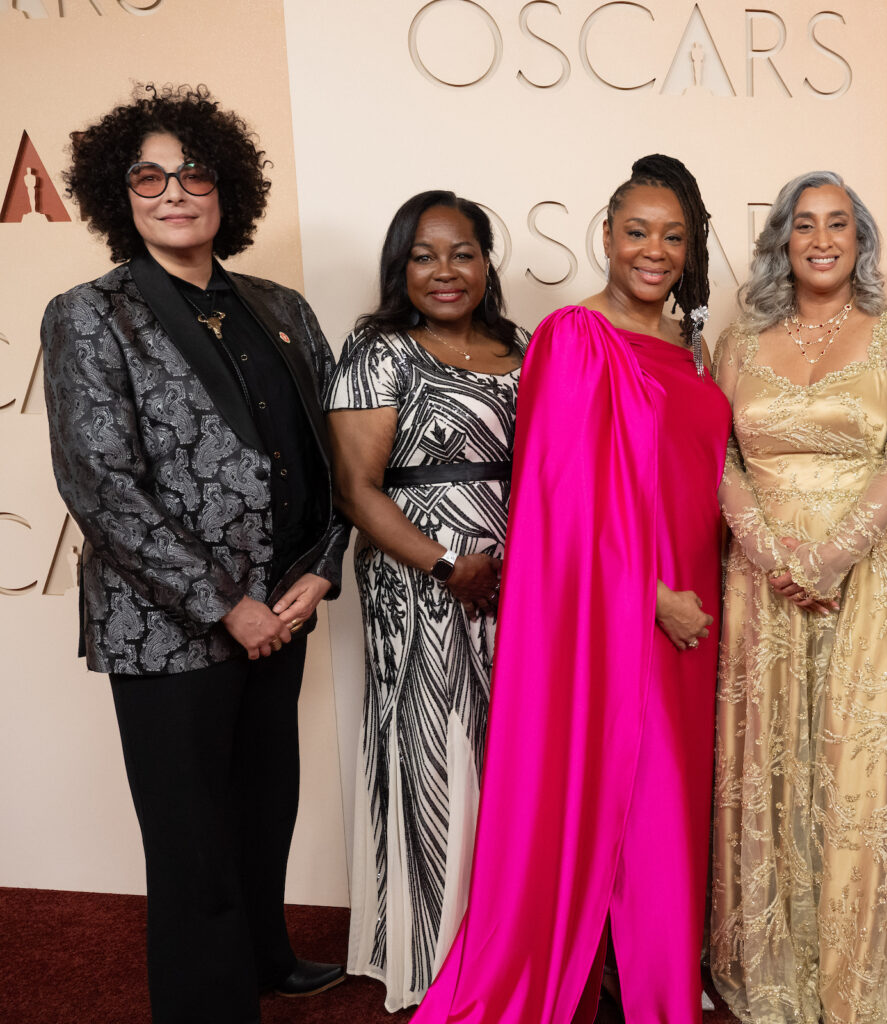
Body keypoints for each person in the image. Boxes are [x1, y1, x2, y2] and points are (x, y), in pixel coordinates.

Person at [38, 85, 349, 1023]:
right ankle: (206, 1001)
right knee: (190, 835)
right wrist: (226, 604)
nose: (174, 192)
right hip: (171, 627)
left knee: (264, 807)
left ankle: (263, 954)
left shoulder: (279, 305)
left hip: (284, 610)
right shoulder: (91, 314)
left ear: (227, 187)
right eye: (149, 175)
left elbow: (335, 460)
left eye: (194, 172)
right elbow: (102, 486)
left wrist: (321, 567)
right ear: (118, 194)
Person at [411, 154, 730, 1024]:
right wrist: (650, 599)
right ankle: (644, 991)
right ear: (606, 237)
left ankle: (645, 974)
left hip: (700, 599)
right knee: (639, 789)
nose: (653, 251)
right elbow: (560, 500)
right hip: (629, 609)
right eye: (637, 233)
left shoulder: (688, 346)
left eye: (673, 236)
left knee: (670, 797)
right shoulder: (573, 336)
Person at [709, 170, 887, 1023]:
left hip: (866, 574)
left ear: (861, 238)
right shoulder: (736, 341)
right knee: (765, 765)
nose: (822, 239)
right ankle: (763, 964)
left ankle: (850, 983)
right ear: (781, 239)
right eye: (805, 224)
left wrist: (831, 557)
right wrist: (769, 550)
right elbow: (716, 456)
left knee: (854, 777)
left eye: (839, 223)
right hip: (759, 576)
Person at [326, 191, 525, 1010]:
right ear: (399, 267)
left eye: (462, 253)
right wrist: (448, 564)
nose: (445, 271)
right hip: (423, 589)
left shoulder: (521, 348)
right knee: (432, 754)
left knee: (510, 760)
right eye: (424, 255)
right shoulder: (380, 352)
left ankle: (509, 941)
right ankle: (431, 958)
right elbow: (355, 490)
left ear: (487, 261)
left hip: (520, 586)